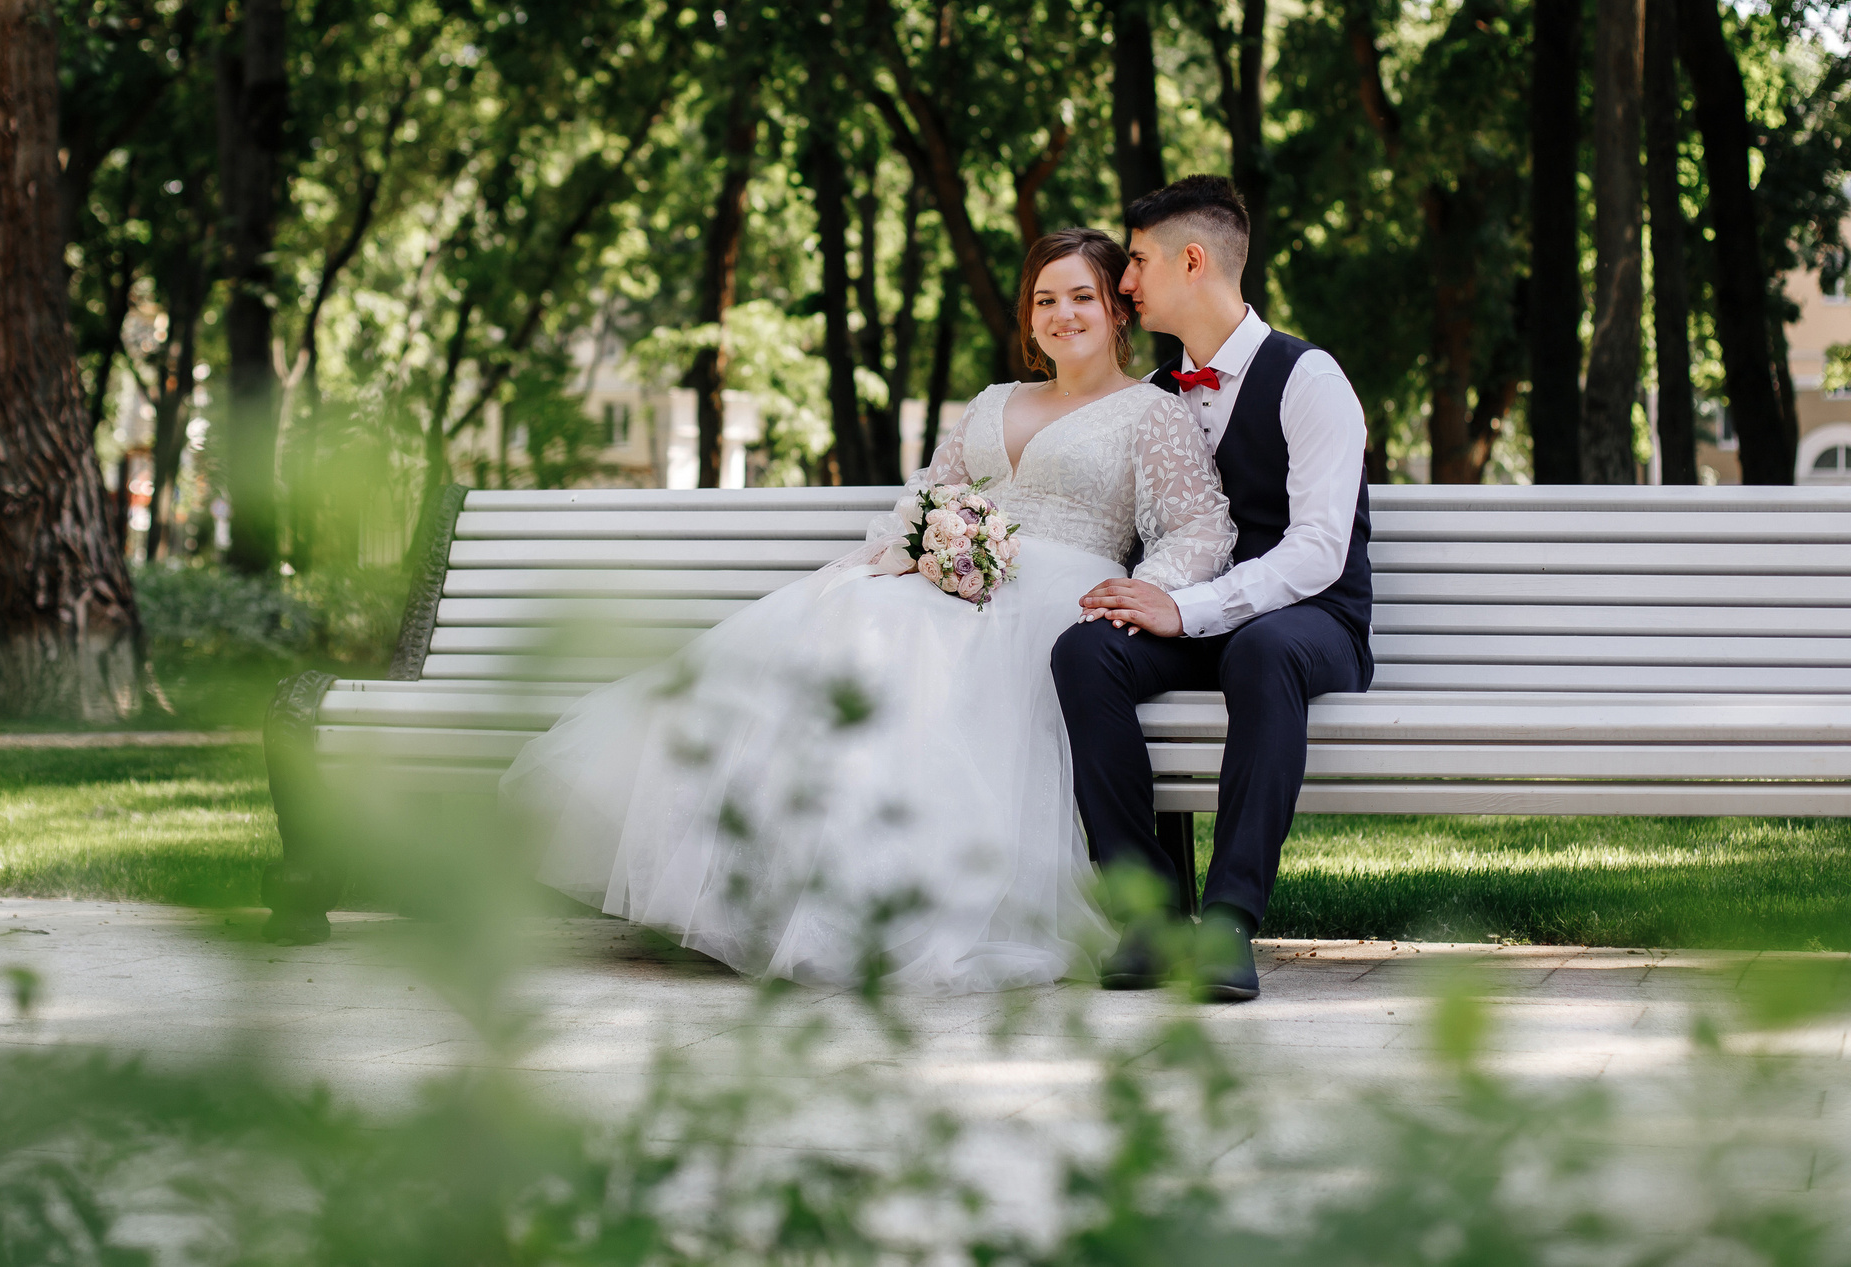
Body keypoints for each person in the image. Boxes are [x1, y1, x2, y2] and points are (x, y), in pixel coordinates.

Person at [501, 227, 1237, 994]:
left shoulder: (1150, 412)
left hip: (1061, 593)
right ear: (1028, 317)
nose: (1063, 314)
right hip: (955, 573)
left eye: (1082, 296)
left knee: (904, 640)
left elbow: (1199, 525)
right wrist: (904, 548)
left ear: (1117, 311)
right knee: (848, 615)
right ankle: (786, 894)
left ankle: (907, 903)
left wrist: (1150, 591)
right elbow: (930, 494)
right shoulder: (993, 403)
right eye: (1045, 299)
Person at [1053, 175, 1373, 1003]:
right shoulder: (1154, 398)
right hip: (1193, 622)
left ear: (1192, 261)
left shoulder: (1311, 379)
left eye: (1137, 262)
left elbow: (1318, 550)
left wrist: (1188, 609)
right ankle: (1148, 915)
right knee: (1086, 651)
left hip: (1310, 623)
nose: (1125, 283)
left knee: (1264, 650)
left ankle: (1229, 920)